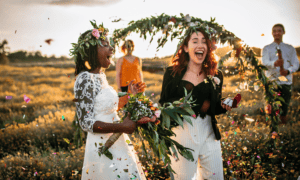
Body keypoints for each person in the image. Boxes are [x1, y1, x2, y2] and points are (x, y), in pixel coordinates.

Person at [72, 22, 153, 180]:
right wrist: (122, 126)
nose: (111, 49)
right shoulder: (84, 79)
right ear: (91, 51)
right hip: (102, 147)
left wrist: (130, 94)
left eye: (110, 45)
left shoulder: (100, 76)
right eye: (105, 45)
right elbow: (86, 123)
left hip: (117, 142)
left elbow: (110, 108)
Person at [159, 27, 233, 180]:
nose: (200, 45)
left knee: (215, 177)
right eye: (195, 41)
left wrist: (223, 105)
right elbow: (164, 104)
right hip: (181, 133)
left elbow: (213, 108)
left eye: (204, 42)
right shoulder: (172, 73)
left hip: (208, 133)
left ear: (209, 47)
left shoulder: (216, 74)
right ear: (185, 47)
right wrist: (189, 104)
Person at [262, 24, 299, 124]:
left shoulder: (290, 48)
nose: (277, 33)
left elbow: (296, 64)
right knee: (271, 107)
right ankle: (272, 129)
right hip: (272, 81)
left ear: (283, 32)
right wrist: (274, 63)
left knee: (284, 106)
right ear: (272, 33)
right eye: (274, 31)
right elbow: (264, 62)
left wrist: (288, 71)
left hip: (285, 81)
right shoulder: (267, 48)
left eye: (279, 31)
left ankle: (283, 128)